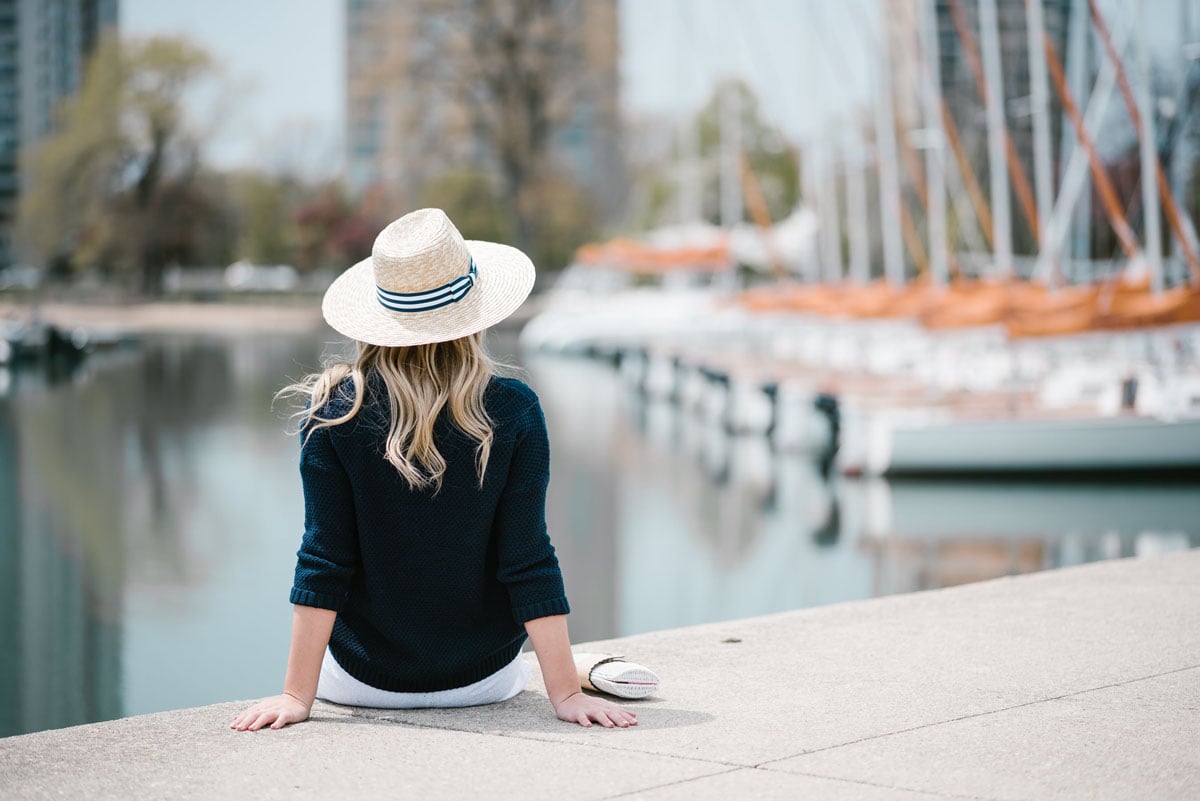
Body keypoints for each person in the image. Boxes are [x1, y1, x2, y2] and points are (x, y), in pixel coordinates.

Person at [231, 209, 636, 732]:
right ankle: (573, 671)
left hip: (362, 681)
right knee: (523, 667)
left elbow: (324, 561)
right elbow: (527, 558)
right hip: (481, 681)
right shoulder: (513, 411)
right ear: (474, 316)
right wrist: (564, 695)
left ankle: (568, 669)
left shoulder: (333, 413)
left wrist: (294, 695)